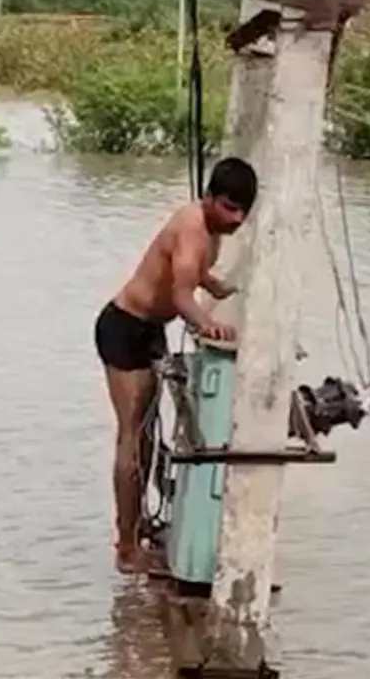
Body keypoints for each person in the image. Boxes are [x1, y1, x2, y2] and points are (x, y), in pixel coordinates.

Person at [93, 156, 258, 574]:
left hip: (151, 329)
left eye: (243, 211)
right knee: (132, 436)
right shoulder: (191, 228)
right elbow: (182, 295)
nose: (236, 218)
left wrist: (214, 284)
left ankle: (139, 527)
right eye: (228, 207)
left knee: (150, 435)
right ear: (208, 198)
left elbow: (189, 274)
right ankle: (126, 549)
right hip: (124, 327)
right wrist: (209, 323)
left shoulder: (211, 229)